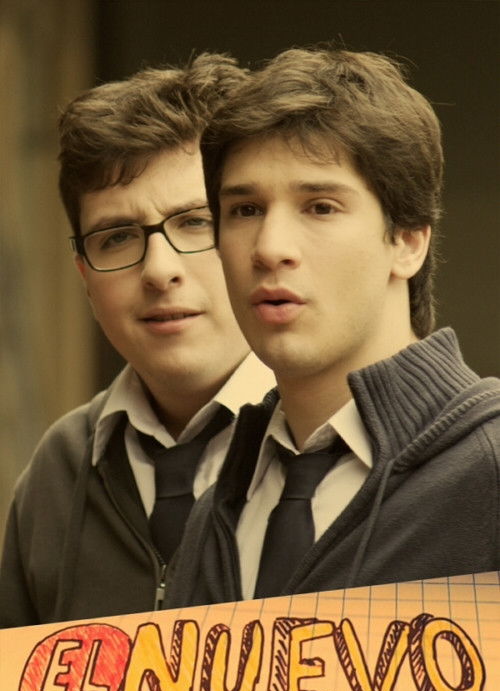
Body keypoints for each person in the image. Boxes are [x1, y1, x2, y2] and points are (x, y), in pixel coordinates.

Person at [164, 47, 500, 609]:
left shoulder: (489, 470)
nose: (269, 247)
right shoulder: (216, 510)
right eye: (245, 210)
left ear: (408, 241)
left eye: (320, 206)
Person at [0, 53, 275, 627]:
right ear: (83, 274)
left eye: (195, 222)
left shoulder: (338, 441)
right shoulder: (60, 467)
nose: (159, 270)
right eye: (117, 237)